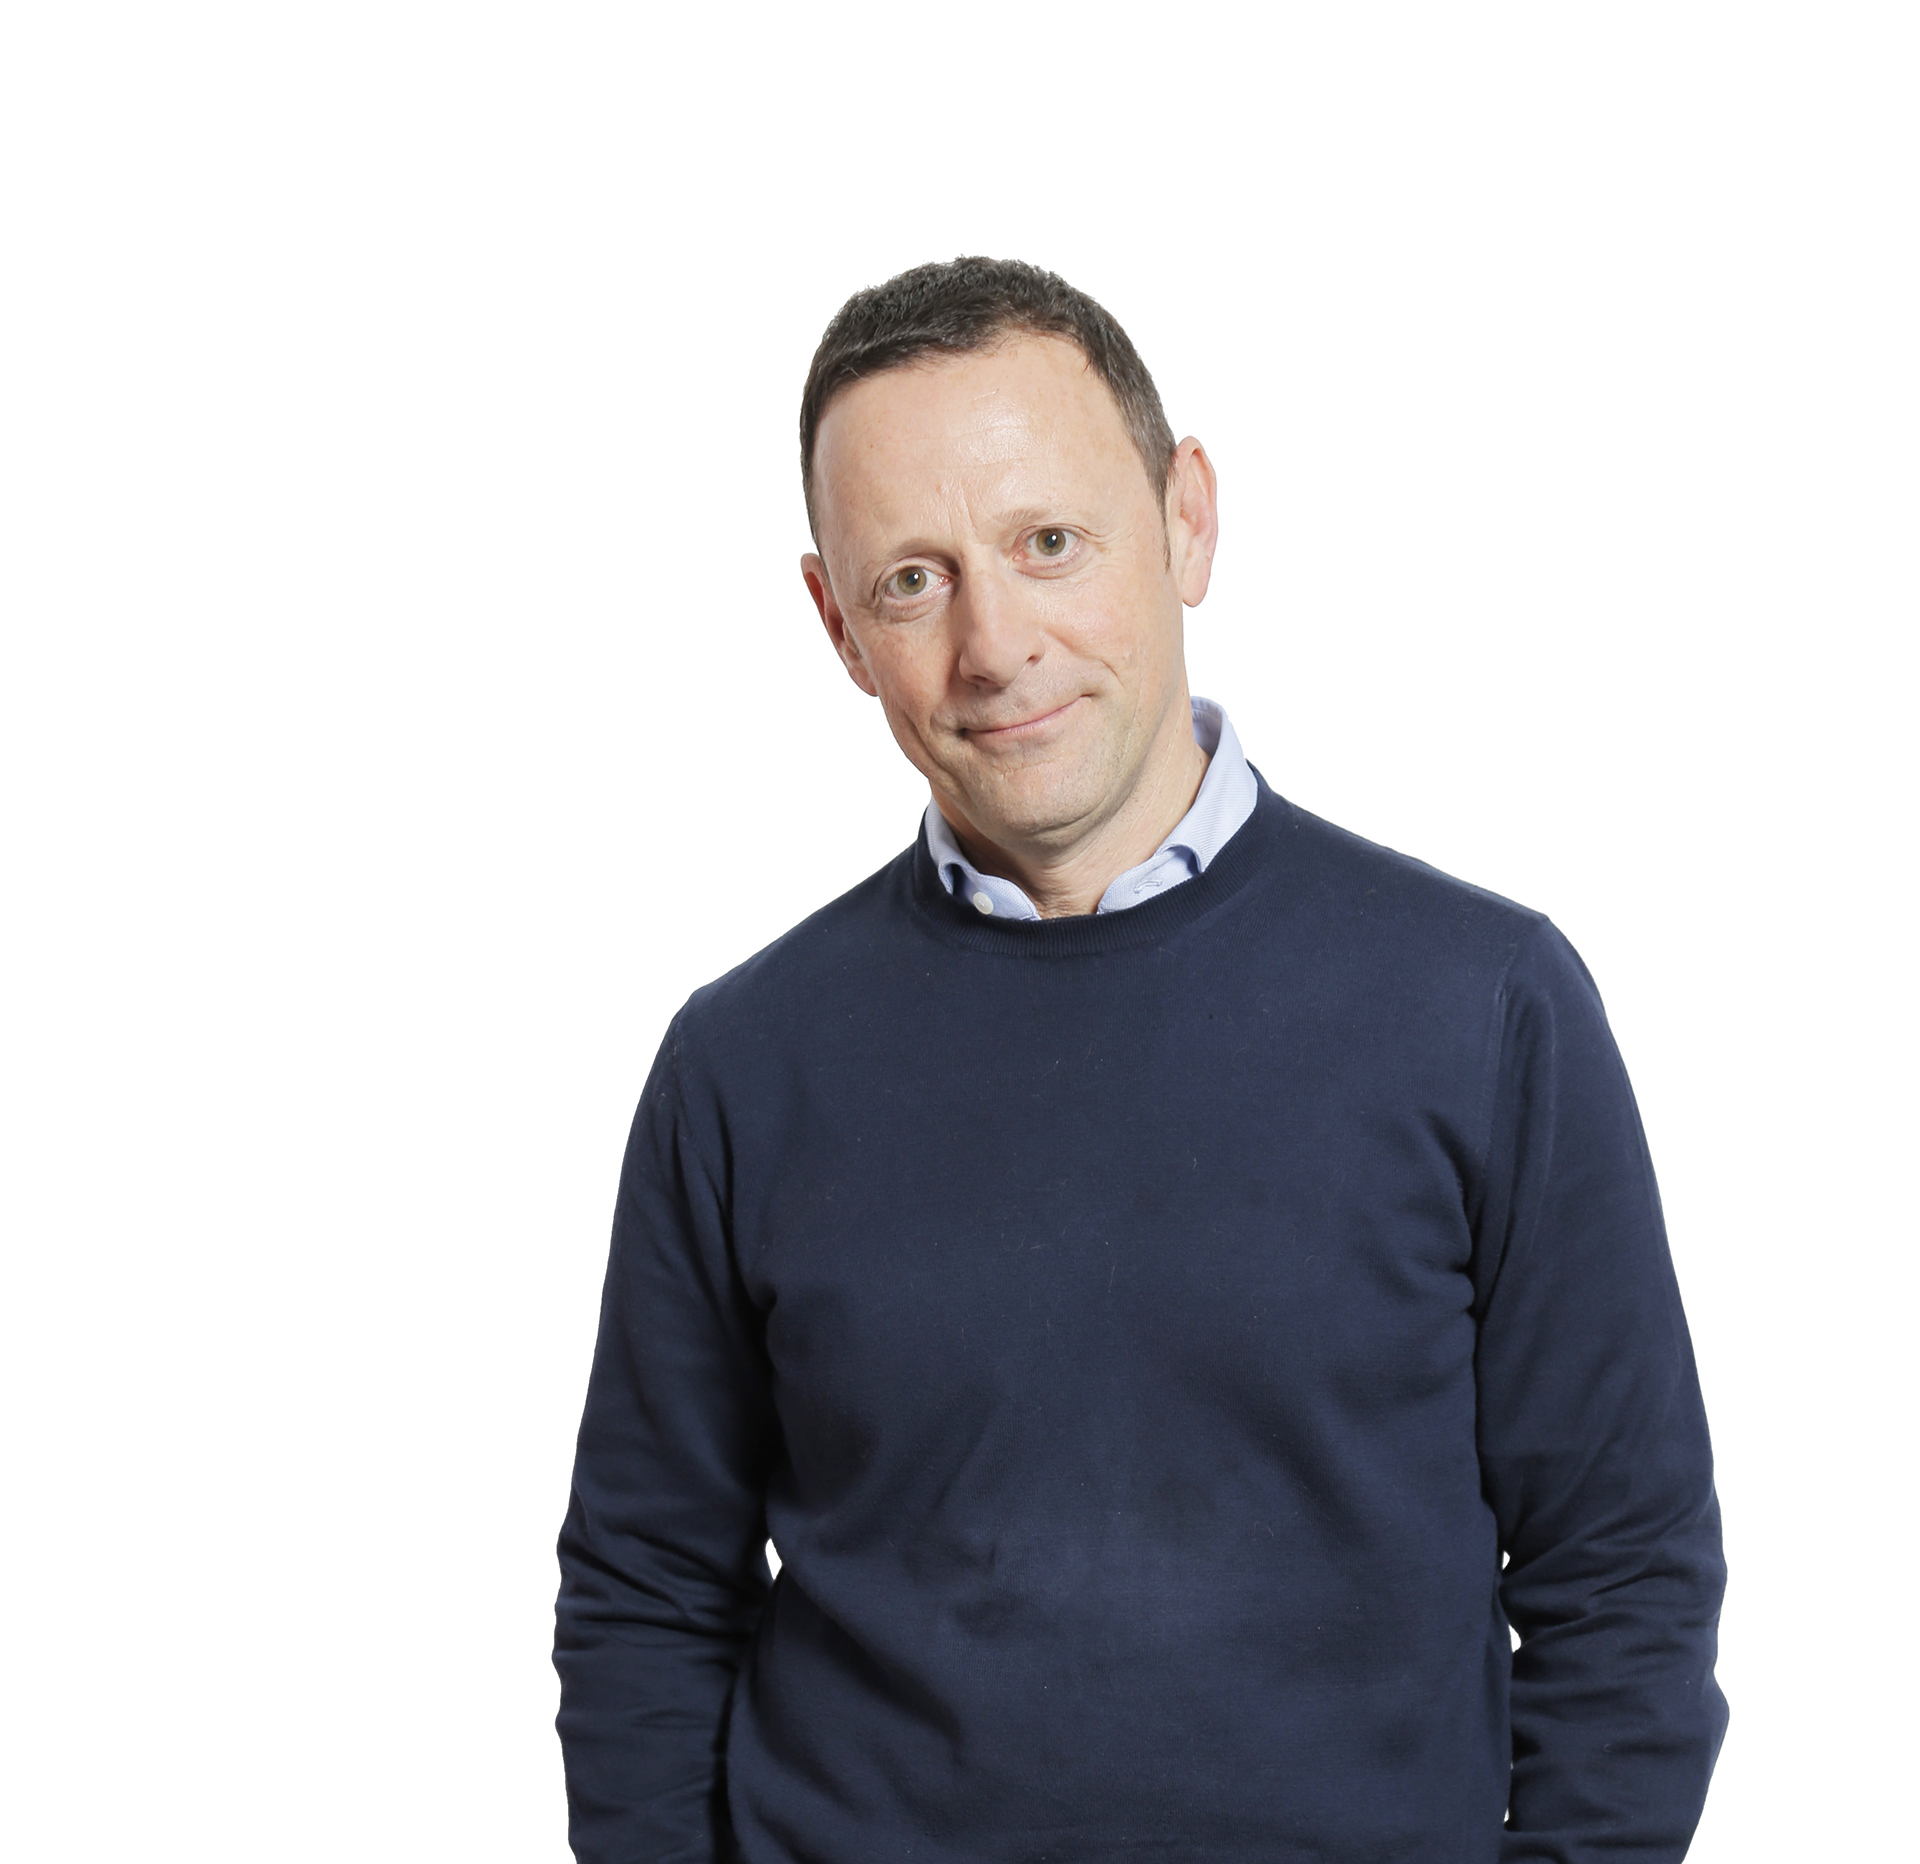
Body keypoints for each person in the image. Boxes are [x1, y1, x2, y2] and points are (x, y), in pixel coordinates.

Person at [552, 257, 1728, 1863]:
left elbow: (1624, 1579)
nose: (995, 645)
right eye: (913, 580)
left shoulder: (1485, 1007)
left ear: (1187, 522)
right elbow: (646, 1594)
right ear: (838, 625)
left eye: (1050, 543)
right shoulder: (742, 1067)